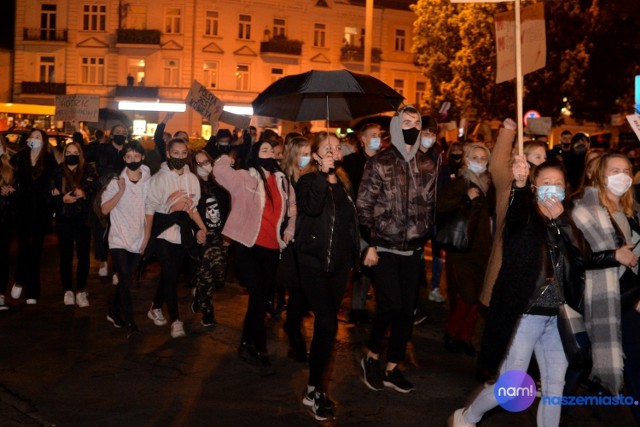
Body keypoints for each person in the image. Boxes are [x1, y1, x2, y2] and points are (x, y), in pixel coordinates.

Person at [450, 158, 619, 427]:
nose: (552, 188)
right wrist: (518, 184)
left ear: (566, 189)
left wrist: (562, 222)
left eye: (558, 184)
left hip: (559, 317)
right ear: (535, 187)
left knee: (555, 388)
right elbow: (514, 216)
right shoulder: (524, 216)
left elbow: (583, 256)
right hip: (525, 315)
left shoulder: (569, 220)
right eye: (545, 183)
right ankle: (466, 417)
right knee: (513, 386)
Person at [357, 106, 436, 393]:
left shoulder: (427, 163)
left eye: (416, 122)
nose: (412, 127)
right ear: (395, 126)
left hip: (413, 248)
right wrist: (370, 244)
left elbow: (429, 204)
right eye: (406, 122)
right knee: (390, 306)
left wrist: (424, 231)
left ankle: (392, 367)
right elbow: (364, 205)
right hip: (385, 247)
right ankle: (372, 356)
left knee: (406, 311)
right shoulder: (380, 162)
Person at [213, 140, 295, 375]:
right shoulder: (245, 177)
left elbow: (294, 210)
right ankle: (259, 346)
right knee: (259, 296)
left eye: (272, 151)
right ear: (255, 155)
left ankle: (246, 343)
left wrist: (289, 230)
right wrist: (232, 154)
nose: (269, 154)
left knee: (258, 300)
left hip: (271, 248)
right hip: (247, 246)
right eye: (264, 150)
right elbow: (218, 171)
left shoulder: (282, 181)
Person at [571, 153, 640, 423]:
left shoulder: (630, 211)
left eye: (626, 170)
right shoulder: (583, 209)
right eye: (614, 170)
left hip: (628, 299)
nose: (622, 175)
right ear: (600, 174)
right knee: (580, 364)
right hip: (600, 299)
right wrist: (615, 255)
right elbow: (578, 257)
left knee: (629, 363)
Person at [295, 132, 360, 420]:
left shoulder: (346, 183)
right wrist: (323, 175)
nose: (334, 152)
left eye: (337, 147)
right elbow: (311, 207)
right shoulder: (307, 180)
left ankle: (311, 387)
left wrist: (362, 250)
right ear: (316, 155)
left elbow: (351, 223)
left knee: (325, 328)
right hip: (312, 264)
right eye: (327, 148)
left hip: (339, 267)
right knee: (328, 323)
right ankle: (320, 390)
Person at [145, 138, 207, 338]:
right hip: (164, 233)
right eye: (175, 153)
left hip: (183, 234)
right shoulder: (158, 179)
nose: (179, 156)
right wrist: (148, 236)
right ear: (168, 153)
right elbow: (150, 208)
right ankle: (176, 320)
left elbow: (192, 208)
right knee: (171, 276)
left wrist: (202, 228)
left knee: (170, 274)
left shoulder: (193, 180)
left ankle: (155, 306)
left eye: (183, 153)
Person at [438, 143, 493, 355]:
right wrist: (465, 198)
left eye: (483, 158)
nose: (479, 162)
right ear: (467, 160)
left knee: (477, 296)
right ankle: (451, 332)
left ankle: (465, 337)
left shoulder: (488, 183)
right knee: (467, 295)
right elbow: (442, 205)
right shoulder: (463, 181)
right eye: (475, 158)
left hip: (482, 249)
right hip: (462, 250)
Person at [101, 141, 151, 338]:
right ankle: (131, 322)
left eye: (136, 156)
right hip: (119, 239)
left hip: (138, 238)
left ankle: (113, 311)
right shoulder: (116, 182)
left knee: (124, 280)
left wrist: (146, 238)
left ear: (142, 157)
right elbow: (105, 209)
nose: (132, 160)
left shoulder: (149, 180)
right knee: (125, 280)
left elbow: (150, 210)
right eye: (128, 157)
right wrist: (121, 191)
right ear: (123, 159)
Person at [10, 129, 57, 305]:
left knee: (36, 251)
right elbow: (10, 174)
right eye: (32, 136)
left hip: (40, 212)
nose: (34, 140)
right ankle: (20, 279)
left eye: (38, 137)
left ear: (44, 141)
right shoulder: (20, 158)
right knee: (23, 248)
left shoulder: (49, 161)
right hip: (22, 210)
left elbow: (54, 180)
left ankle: (33, 290)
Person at [342, 123, 382, 323]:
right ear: (363, 139)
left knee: (379, 266)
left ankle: (380, 306)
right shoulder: (351, 162)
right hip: (359, 220)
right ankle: (357, 308)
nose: (378, 138)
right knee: (363, 264)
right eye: (373, 135)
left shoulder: (385, 161)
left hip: (381, 221)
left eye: (379, 135)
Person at [279, 135, 312, 362]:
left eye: (309, 153)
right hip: (291, 239)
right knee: (298, 288)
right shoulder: (285, 179)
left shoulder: (312, 176)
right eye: (303, 153)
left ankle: (293, 325)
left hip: (308, 239)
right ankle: (294, 335)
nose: (306, 158)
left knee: (304, 290)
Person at [51, 141, 96, 307]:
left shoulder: (88, 170)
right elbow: (50, 194)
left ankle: (81, 290)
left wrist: (83, 192)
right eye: (68, 152)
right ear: (64, 155)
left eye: (75, 152)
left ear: (80, 154)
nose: (71, 155)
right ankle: (68, 290)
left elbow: (93, 188)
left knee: (84, 255)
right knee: (66, 255)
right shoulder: (57, 171)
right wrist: (61, 198)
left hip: (82, 218)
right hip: (64, 218)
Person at [190, 149, 230, 327]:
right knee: (205, 276)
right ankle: (207, 314)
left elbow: (229, 211)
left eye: (205, 162)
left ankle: (199, 293)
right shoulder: (192, 187)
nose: (203, 166)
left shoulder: (220, 186)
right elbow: (188, 213)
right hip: (203, 236)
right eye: (198, 164)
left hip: (219, 236)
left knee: (219, 278)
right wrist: (196, 230)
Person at [85, 124, 129, 279]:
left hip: (122, 195)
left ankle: (118, 268)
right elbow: (85, 155)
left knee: (119, 230)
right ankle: (103, 261)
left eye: (124, 132)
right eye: (118, 132)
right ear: (111, 135)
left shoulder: (128, 152)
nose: (121, 134)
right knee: (101, 230)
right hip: (103, 193)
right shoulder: (102, 149)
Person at [0, 136, 16, 310]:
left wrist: (11, 191)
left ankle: (1, 295)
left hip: (4, 219)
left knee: (3, 258)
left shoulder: (9, 169)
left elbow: (16, 192)